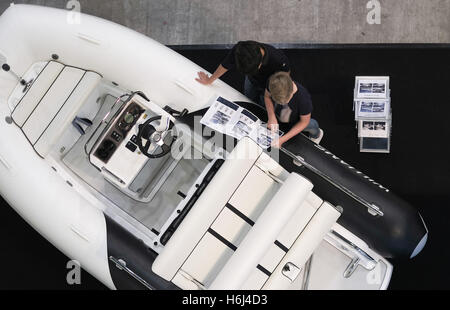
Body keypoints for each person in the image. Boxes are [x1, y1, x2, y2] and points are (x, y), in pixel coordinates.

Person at [196, 41, 290, 104]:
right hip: (252, 80)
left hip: (270, 84)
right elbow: (226, 65)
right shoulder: (240, 51)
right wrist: (210, 80)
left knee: (264, 103)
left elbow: (284, 78)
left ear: (260, 64)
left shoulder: (278, 60)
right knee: (247, 97)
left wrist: (269, 95)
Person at [264, 72, 323, 148]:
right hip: (283, 116)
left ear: (291, 92)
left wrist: (282, 140)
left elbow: (304, 122)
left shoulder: (303, 99)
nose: (282, 104)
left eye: (284, 102)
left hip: (299, 120)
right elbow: (267, 96)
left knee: (311, 125)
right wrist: (271, 116)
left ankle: (317, 135)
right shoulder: (273, 83)